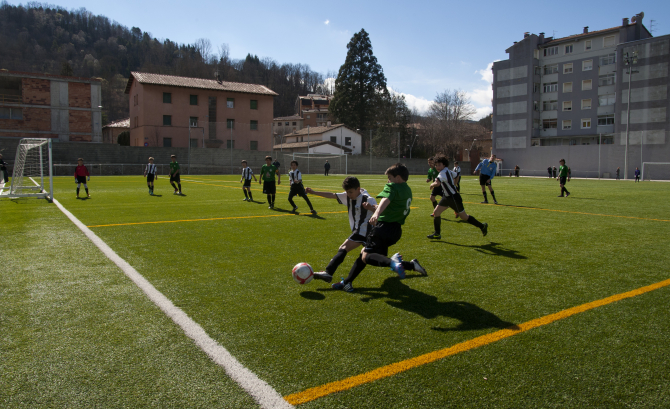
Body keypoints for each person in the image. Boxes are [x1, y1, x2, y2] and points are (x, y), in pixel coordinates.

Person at [330, 163, 427, 293]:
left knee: (366, 256)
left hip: (382, 228)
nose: (388, 181)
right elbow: (391, 207)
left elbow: (385, 199)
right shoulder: (407, 190)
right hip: (395, 231)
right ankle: (410, 265)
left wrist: (376, 213)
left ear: (398, 178)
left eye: (390, 178)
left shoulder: (392, 186)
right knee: (372, 255)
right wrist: (372, 208)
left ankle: (393, 263)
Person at [308, 176, 376, 282]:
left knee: (344, 247)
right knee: (371, 257)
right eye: (347, 192)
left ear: (358, 189)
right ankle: (403, 264)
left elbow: (379, 210)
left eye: (350, 192)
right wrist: (313, 192)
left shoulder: (368, 199)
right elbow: (332, 195)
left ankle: (328, 273)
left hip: (363, 232)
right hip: (361, 232)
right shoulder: (348, 196)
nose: (348, 195)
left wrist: (371, 208)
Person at [428, 154, 488, 239]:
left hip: (453, 198)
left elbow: (437, 183)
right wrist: (454, 185)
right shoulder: (447, 170)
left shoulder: (442, 173)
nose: (437, 166)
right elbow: (456, 176)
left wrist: (432, 184)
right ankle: (437, 234)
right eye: (436, 165)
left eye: (439, 164)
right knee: (436, 212)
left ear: (444, 164)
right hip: (446, 197)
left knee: (464, 217)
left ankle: (482, 226)